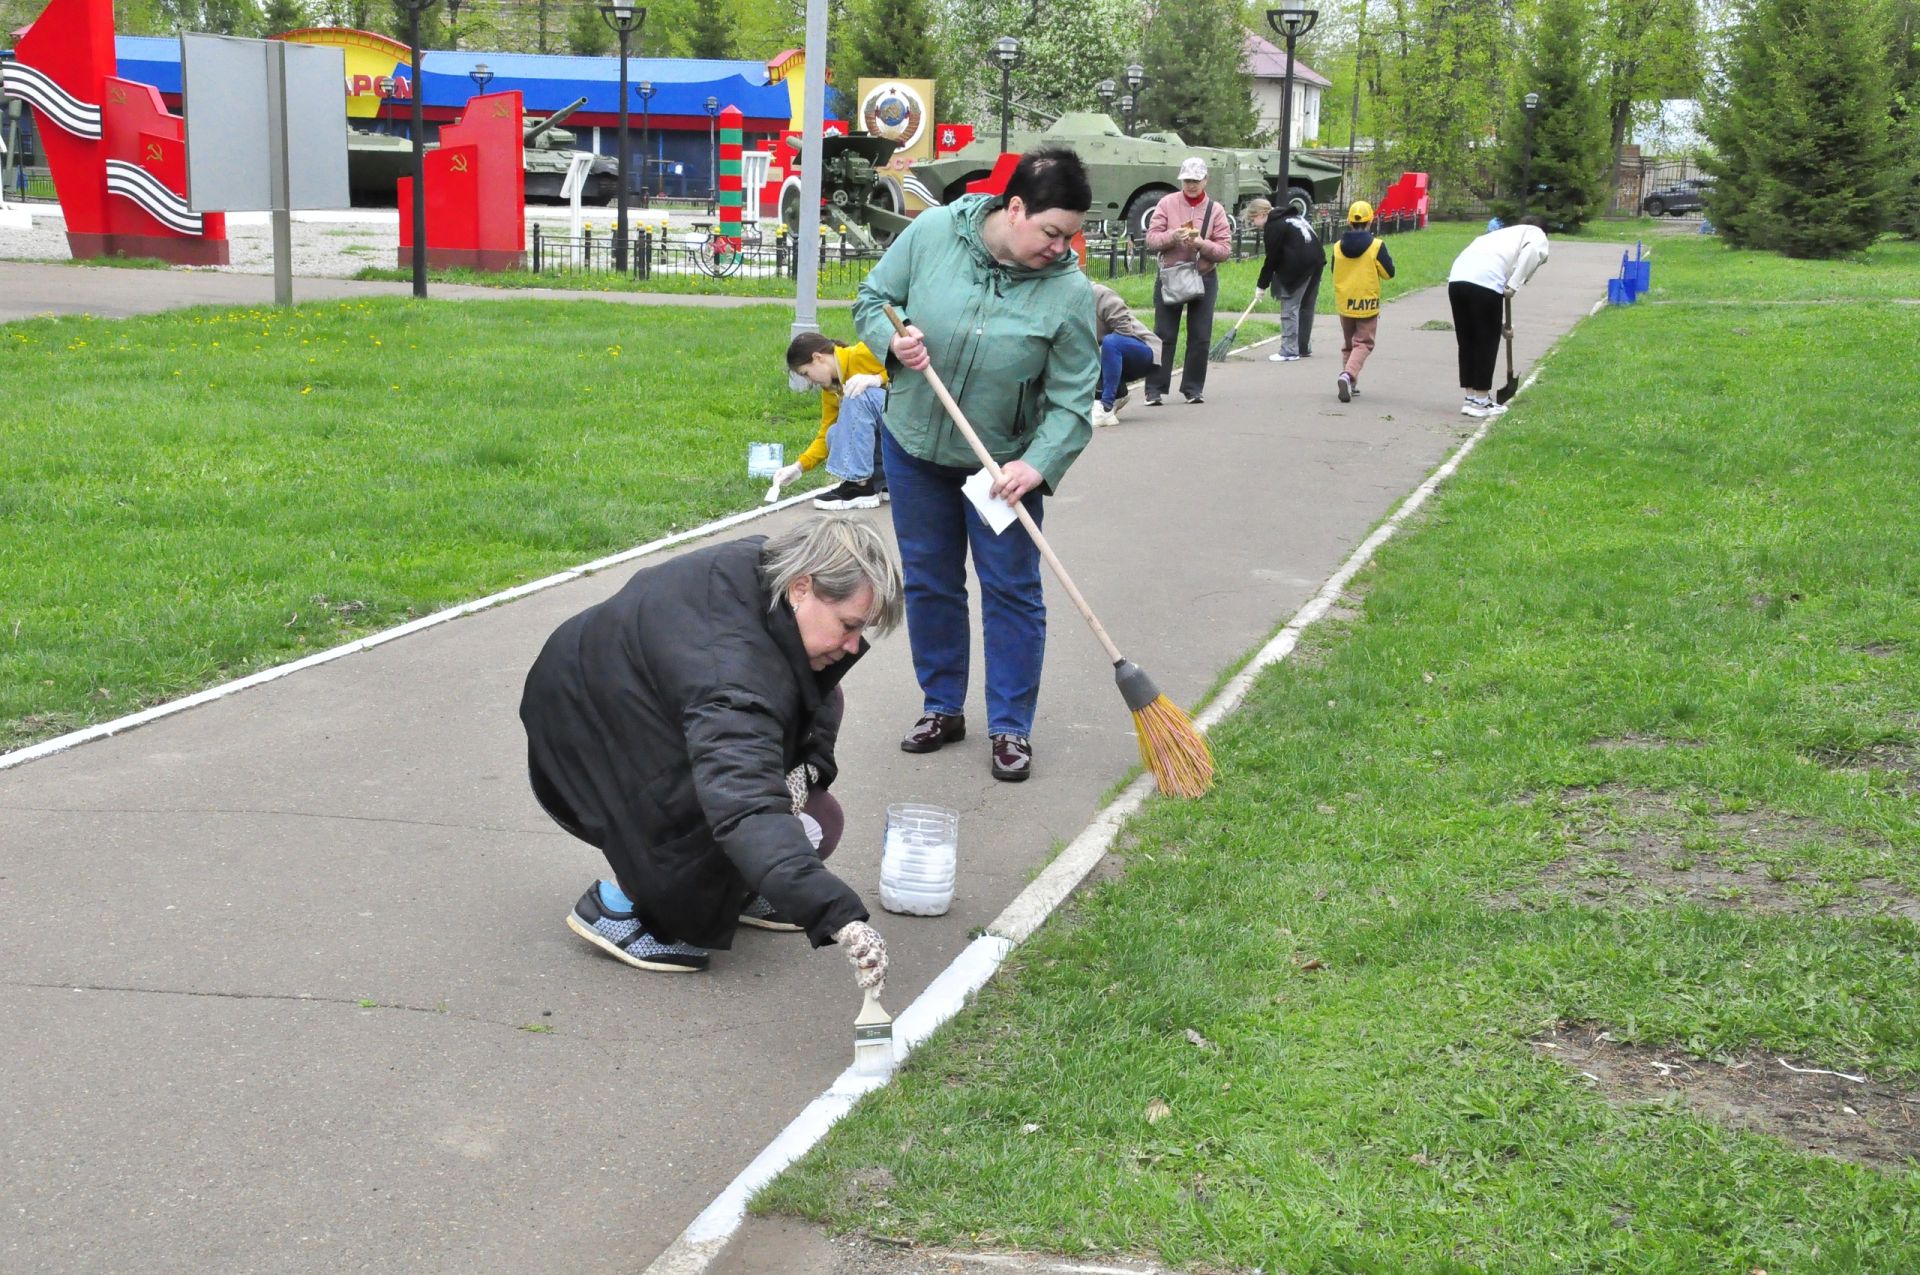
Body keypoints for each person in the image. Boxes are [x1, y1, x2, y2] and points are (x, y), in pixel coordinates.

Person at [519, 515, 902, 984]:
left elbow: (816, 695)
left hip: (627, 691)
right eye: (848, 625)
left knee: (818, 820)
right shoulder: (732, 673)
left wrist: (807, 772)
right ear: (803, 587)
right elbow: (746, 804)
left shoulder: (770, 578)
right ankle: (620, 910)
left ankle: (738, 882)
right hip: (580, 727)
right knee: (698, 872)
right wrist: (838, 916)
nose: (852, 644)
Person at [853, 146, 1098, 783]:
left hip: (999, 472)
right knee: (932, 582)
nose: (1063, 247)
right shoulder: (934, 234)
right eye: (1053, 232)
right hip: (913, 448)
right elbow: (873, 298)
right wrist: (892, 340)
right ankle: (942, 707)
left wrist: (1037, 465)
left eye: (1072, 235)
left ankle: (1010, 725)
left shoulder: (1069, 294)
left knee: (1012, 591)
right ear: (1015, 208)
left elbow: (1074, 401)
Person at [1141, 156, 1233, 406]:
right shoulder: (1167, 203)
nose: (1190, 185)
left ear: (1205, 180)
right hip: (1170, 276)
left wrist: (1202, 244)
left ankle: (1193, 388)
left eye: (1195, 180)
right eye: (1186, 180)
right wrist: (1174, 237)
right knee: (1163, 334)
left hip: (1203, 277)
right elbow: (1151, 239)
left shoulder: (1216, 210)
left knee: (1200, 335)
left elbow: (1225, 250)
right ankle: (1154, 389)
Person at [1446, 214, 1550, 418]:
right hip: (1485, 283)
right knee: (1486, 341)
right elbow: (1533, 253)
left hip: (1457, 280)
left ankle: (1470, 399)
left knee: (1467, 340)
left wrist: (1500, 324)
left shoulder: (1498, 236)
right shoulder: (1535, 233)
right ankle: (1482, 400)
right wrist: (1514, 285)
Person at [775, 332, 890, 510]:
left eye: (806, 373)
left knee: (857, 393)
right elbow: (824, 435)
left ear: (818, 357)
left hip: (912, 421)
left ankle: (859, 486)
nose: (810, 381)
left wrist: (878, 378)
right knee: (834, 433)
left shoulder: (861, 353)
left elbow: (909, 367)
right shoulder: (830, 389)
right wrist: (798, 467)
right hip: (889, 432)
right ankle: (883, 482)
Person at [1330, 199, 1396, 403]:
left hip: (1344, 302)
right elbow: (1388, 273)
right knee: (1364, 343)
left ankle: (1351, 382)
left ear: (1349, 221)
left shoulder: (1337, 246)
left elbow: (1334, 270)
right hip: (1366, 303)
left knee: (1349, 344)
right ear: (1370, 221)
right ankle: (1348, 375)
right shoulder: (1376, 246)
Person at [1259, 197, 1323, 363]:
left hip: (1298, 266)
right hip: (1316, 262)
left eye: (1252, 220)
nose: (1254, 224)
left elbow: (1271, 258)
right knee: (1306, 306)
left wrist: (1261, 285)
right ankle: (1302, 347)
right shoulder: (1294, 217)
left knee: (1290, 307)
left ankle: (1288, 350)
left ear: (1260, 214)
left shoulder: (1274, 226)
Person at [1091, 281, 1157, 428]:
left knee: (1110, 342)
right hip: (1111, 357)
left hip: (1142, 350)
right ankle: (1119, 394)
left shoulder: (1099, 294)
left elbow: (1125, 331)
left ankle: (1106, 408)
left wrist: (1097, 356)